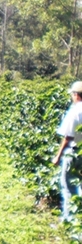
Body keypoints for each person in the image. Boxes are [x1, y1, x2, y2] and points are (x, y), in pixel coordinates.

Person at [52, 81, 82, 221]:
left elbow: (68, 137)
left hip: (74, 153)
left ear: (76, 95)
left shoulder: (75, 110)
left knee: (68, 186)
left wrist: (58, 156)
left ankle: (69, 221)